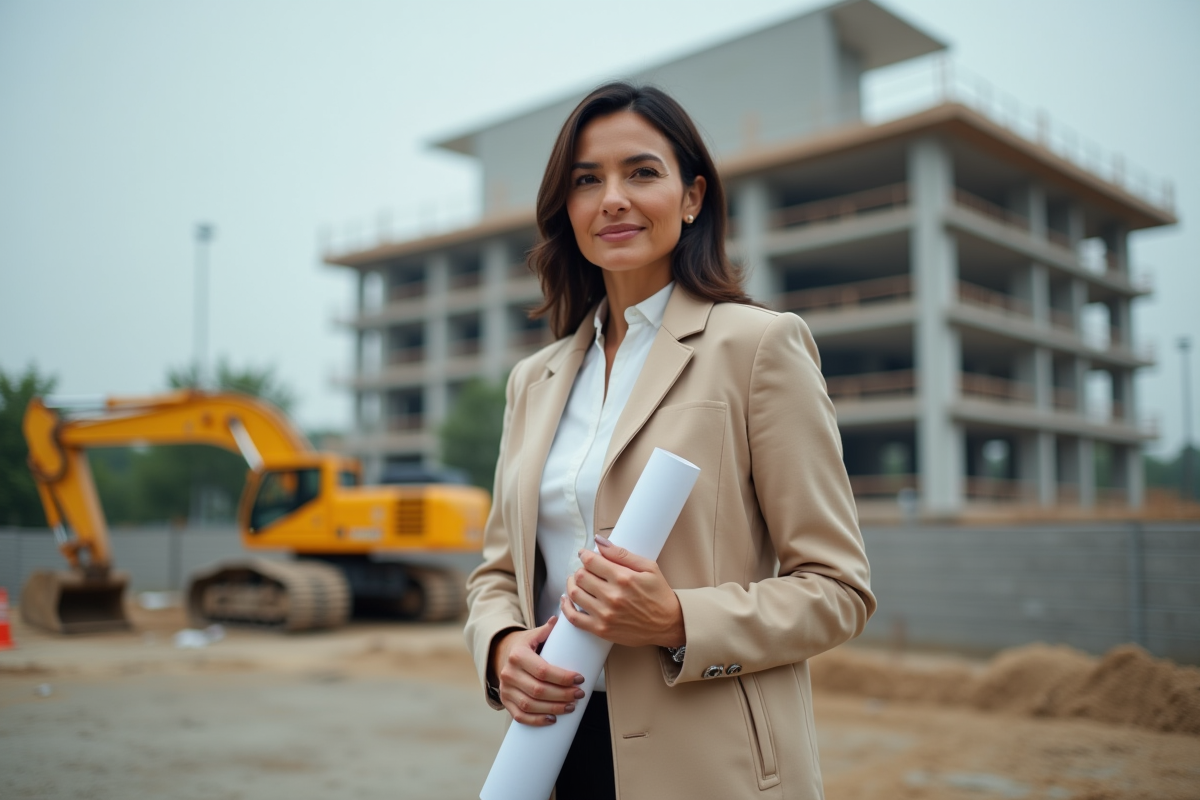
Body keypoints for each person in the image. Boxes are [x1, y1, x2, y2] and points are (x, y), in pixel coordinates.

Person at [464, 81, 875, 800]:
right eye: (587, 180)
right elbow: (496, 575)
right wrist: (500, 647)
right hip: (551, 752)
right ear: (567, 209)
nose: (613, 198)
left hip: (709, 765)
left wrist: (678, 619)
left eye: (642, 172)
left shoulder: (758, 347)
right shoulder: (534, 380)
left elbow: (837, 589)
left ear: (692, 198)